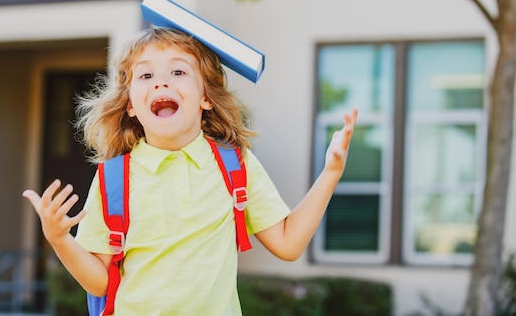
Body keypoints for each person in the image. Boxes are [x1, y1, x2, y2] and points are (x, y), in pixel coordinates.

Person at [23, 27, 357, 315]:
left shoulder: (234, 164)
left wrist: (330, 172)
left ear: (206, 98)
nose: (161, 83)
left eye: (178, 72)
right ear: (130, 105)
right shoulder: (114, 178)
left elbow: (288, 243)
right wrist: (59, 239)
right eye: (146, 75)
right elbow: (100, 280)